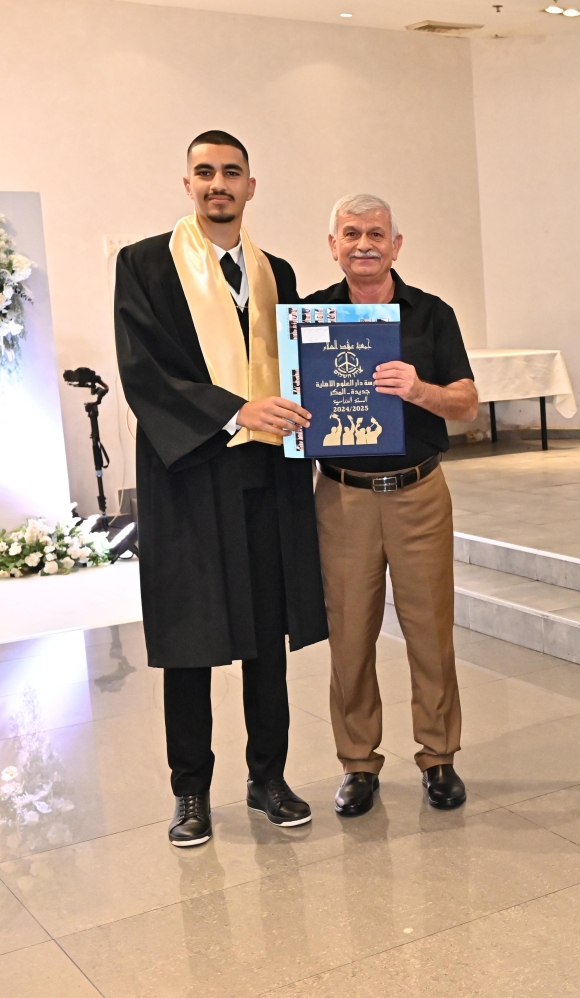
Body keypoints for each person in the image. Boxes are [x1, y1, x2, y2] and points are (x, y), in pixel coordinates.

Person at [114, 130, 326, 847]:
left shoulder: (277, 273)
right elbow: (143, 371)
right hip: (189, 474)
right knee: (190, 638)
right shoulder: (145, 264)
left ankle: (269, 778)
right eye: (204, 172)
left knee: (267, 636)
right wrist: (236, 411)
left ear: (250, 187)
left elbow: (301, 368)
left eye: (231, 172)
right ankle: (191, 791)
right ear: (187, 184)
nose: (218, 184)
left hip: (266, 477)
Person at [304, 194, 479, 816]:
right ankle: (358, 763)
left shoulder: (431, 314)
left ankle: (439, 756)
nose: (364, 244)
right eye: (350, 233)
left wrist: (420, 389)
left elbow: (467, 403)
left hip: (419, 494)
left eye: (376, 233)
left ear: (396, 245)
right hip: (343, 497)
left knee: (430, 633)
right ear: (333, 245)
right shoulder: (309, 316)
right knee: (349, 635)